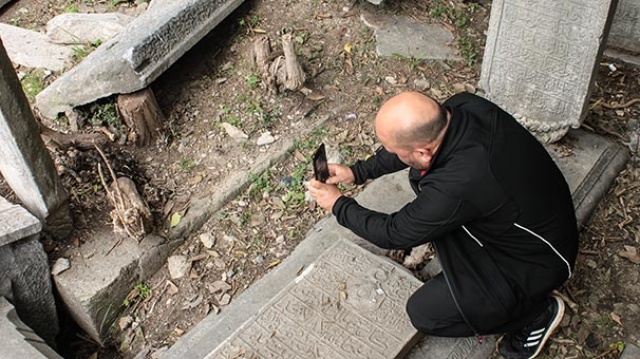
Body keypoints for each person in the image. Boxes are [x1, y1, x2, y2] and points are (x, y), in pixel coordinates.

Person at [307, 91, 578, 359]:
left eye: (395, 152)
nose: (391, 155)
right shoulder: (463, 106)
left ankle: (535, 315)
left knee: (426, 313)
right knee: (426, 189)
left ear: (423, 152)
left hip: (536, 260)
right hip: (534, 216)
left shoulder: (460, 183)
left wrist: (338, 205)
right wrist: (357, 171)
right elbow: (411, 146)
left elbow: (394, 232)